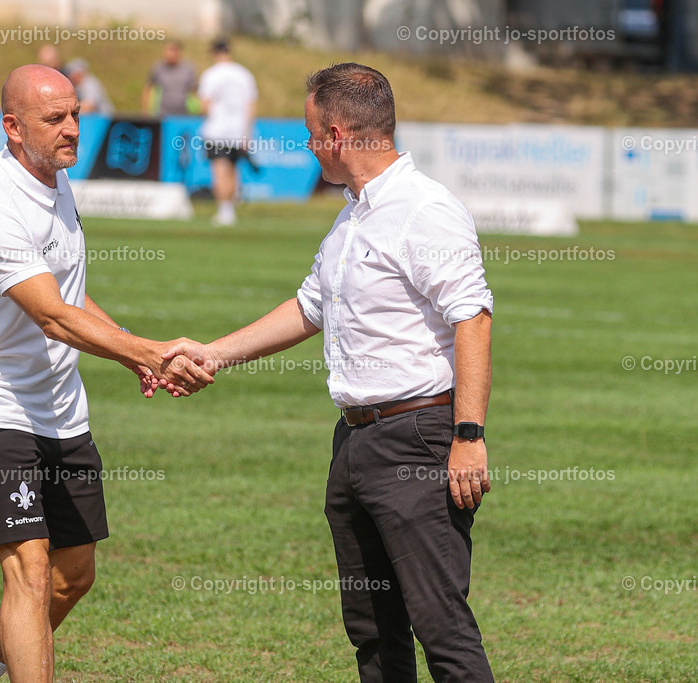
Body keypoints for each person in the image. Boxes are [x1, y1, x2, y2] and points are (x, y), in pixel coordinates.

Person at [163, 63, 495, 682]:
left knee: (440, 626)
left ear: (337, 135)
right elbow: (308, 308)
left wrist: (468, 437)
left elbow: (472, 318)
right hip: (355, 442)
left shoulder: (425, 209)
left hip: (416, 439)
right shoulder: (353, 217)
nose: (308, 144)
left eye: (311, 133)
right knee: (373, 631)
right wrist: (212, 353)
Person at [0, 64, 213, 683]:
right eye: (54, 118)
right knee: (29, 573)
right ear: (12, 127)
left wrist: (130, 350)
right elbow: (52, 316)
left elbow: (69, 295)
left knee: (72, 575)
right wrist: (150, 353)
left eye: (76, 113)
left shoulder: (55, 179)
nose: (73, 128)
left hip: (59, 406)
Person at [197, 38, 256, 227]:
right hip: (238, 131)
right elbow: (251, 106)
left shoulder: (211, 74)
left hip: (217, 130)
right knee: (233, 170)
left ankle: (224, 210)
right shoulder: (244, 74)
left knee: (219, 170)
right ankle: (231, 206)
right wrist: (247, 133)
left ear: (214, 53)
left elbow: (204, 106)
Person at [141, 40, 196, 116]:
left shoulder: (188, 68)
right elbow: (147, 89)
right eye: (167, 50)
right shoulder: (158, 68)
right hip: (162, 114)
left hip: (184, 114)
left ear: (179, 52)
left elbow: (195, 92)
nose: (170, 53)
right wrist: (145, 112)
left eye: (173, 50)